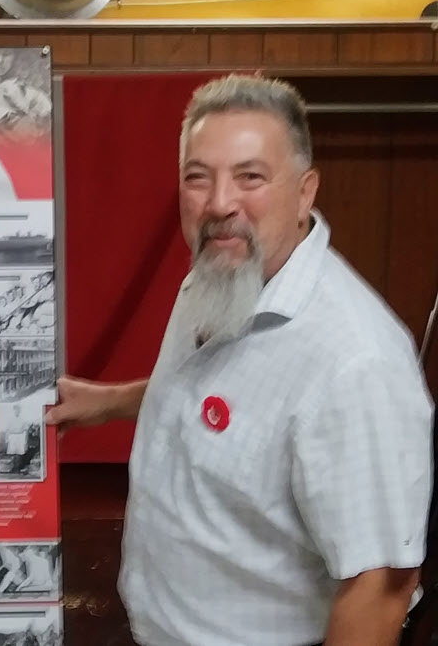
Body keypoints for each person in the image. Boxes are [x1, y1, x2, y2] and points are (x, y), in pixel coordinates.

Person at [45, 74, 434, 646]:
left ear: (305, 192)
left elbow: (382, 587)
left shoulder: (356, 364)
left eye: (250, 177)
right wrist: (112, 402)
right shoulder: (227, 269)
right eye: (198, 178)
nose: (220, 203)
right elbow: (231, 397)